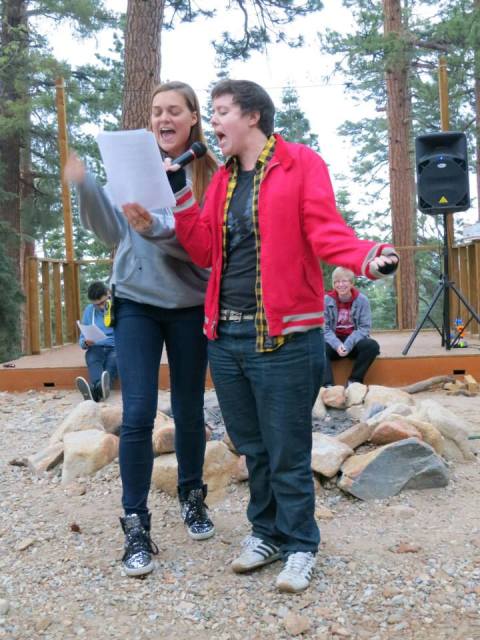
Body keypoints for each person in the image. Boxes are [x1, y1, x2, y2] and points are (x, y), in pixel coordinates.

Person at [160, 78, 399, 593]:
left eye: (220, 110)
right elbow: (202, 250)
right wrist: (180, 191)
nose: (212, 122)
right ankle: (265, 534)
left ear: (252, 116)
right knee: (253, 447)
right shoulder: (222, 180)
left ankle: (300, 546)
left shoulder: (299, 164)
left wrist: (366, 256)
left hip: (283, 337)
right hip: (225, 338)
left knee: (287, 449)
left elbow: (325, 229)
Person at [64, 81, 218, 578]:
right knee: (136, 414)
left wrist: (156, 228)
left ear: (193, 118)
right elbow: (111, 231)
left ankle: (193, 496)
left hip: (191, 305)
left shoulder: (210, 175)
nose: (163, 119)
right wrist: (86, 185)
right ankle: (135, 523)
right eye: (156, 112)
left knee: (191, 408)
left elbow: (204, 250)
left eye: (174, 110)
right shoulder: (133, 169)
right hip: (135, 304)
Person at [323, 267, 380, 387]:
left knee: (372, 346)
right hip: (334, 342)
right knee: (318, 347)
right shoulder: (326, 300)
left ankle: (354, 381)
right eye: (336, 282)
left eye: (344, 281)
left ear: (351, 283)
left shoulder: (362, 300)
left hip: (354, 342)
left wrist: (348, 345)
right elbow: (325, 329)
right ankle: (328, 385)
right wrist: (337, 345)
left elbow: (364, 328)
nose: (340, 285)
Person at [76, 281, 117, 402]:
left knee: (113, 361)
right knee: (92, 357)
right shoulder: (89, 311)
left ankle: (94, 391)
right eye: (96, 304)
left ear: (108, 294)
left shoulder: (117, 307)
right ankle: (100, 388)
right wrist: (85, 342)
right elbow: (82, 338)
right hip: (96, 346)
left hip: (115, 347)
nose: (100, 307)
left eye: (103, 302)